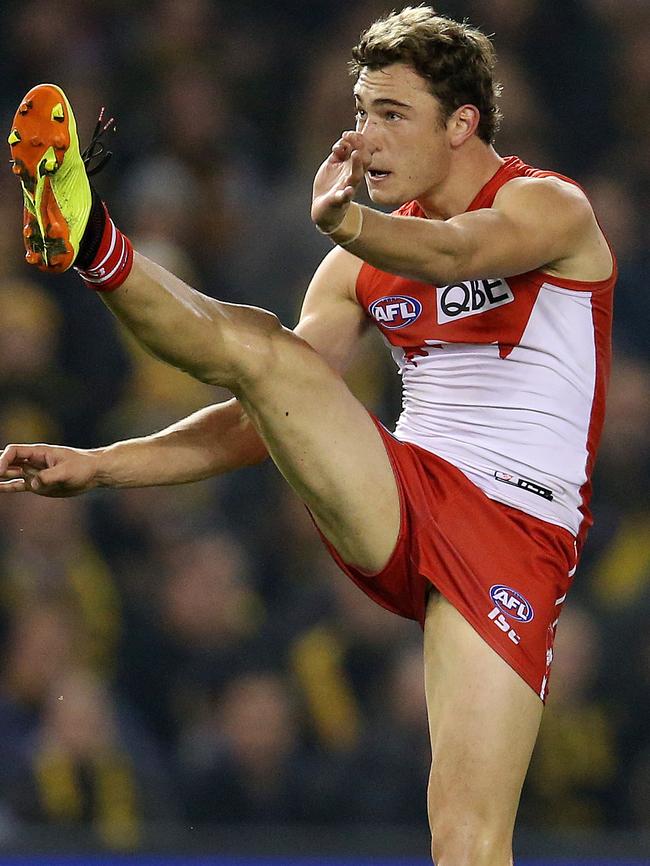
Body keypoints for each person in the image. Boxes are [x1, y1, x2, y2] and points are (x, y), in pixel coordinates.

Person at [2, 7, 615, 863]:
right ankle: (90, 237)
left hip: (517, 537)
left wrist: (348, 222)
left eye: (393, 115)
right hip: (403, 494)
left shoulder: (547, 205)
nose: (367, 138)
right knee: (270, 355)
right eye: (361, 112)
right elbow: (262, 420)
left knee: (469, 841)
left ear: (463, 122)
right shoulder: (356, 264)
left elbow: (460, 253)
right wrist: (104, 467)